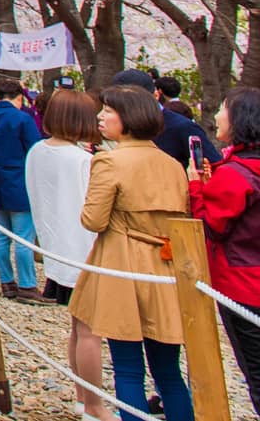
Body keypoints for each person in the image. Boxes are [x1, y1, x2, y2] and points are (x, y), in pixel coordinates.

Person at [68, 84, 193, 421]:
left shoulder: (109, 161)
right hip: (164, 265)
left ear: (129, 118)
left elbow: (92, 220)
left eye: (108, 111)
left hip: (122, 263)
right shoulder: (173, 165)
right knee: (168, 371)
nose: (101, 116)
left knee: (127, 367)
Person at [26, 87, 106, 420]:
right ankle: (94, 406)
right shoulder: (84, 161)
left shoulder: (37, 151)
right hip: (85, 251)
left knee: (77, 329)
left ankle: (80, 396)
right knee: (90, 333)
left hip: (56, 249)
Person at [187, 86, 260, 415]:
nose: (217, 115)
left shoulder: (236, 174)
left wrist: (196, 188)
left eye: (223, 109)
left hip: (242, 283)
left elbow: (211, 225)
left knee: (255, 372)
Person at [0, 76, 46, 303]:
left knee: (1, 234)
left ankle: (7, 281)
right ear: (18, 97)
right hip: (20, 177)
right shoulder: (22, 119)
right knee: (23, 235)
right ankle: (27, 284)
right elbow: (35, 148)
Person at [113, 68, 213, 170]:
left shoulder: (182, 127)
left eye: (132, 101)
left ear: (156, 95)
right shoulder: (118, 127)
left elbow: (213, 166)